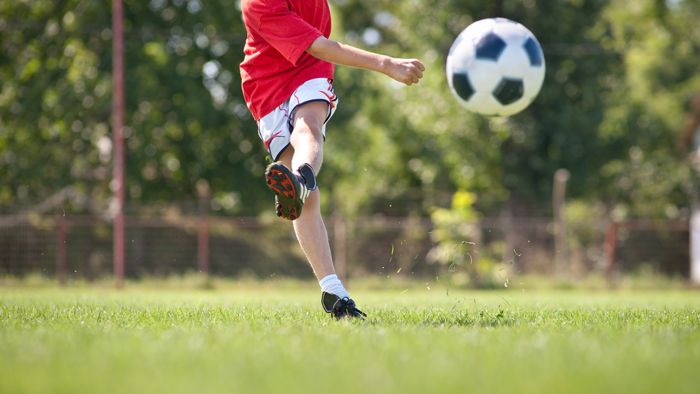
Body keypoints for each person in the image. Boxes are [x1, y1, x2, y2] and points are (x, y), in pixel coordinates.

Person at [239, 0, 425, 318]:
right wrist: (386, 64)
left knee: (307, 126)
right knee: (305, 198)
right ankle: (333, 292)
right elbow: (319, 45)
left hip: (310, 70)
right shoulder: (258, 3)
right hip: (266, 83)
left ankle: (301, 179)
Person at [679, 92, 700, 283]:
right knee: (698, 224)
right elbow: (682, 145)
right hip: (698, 181)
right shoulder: (694, 126)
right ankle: (698, 274)